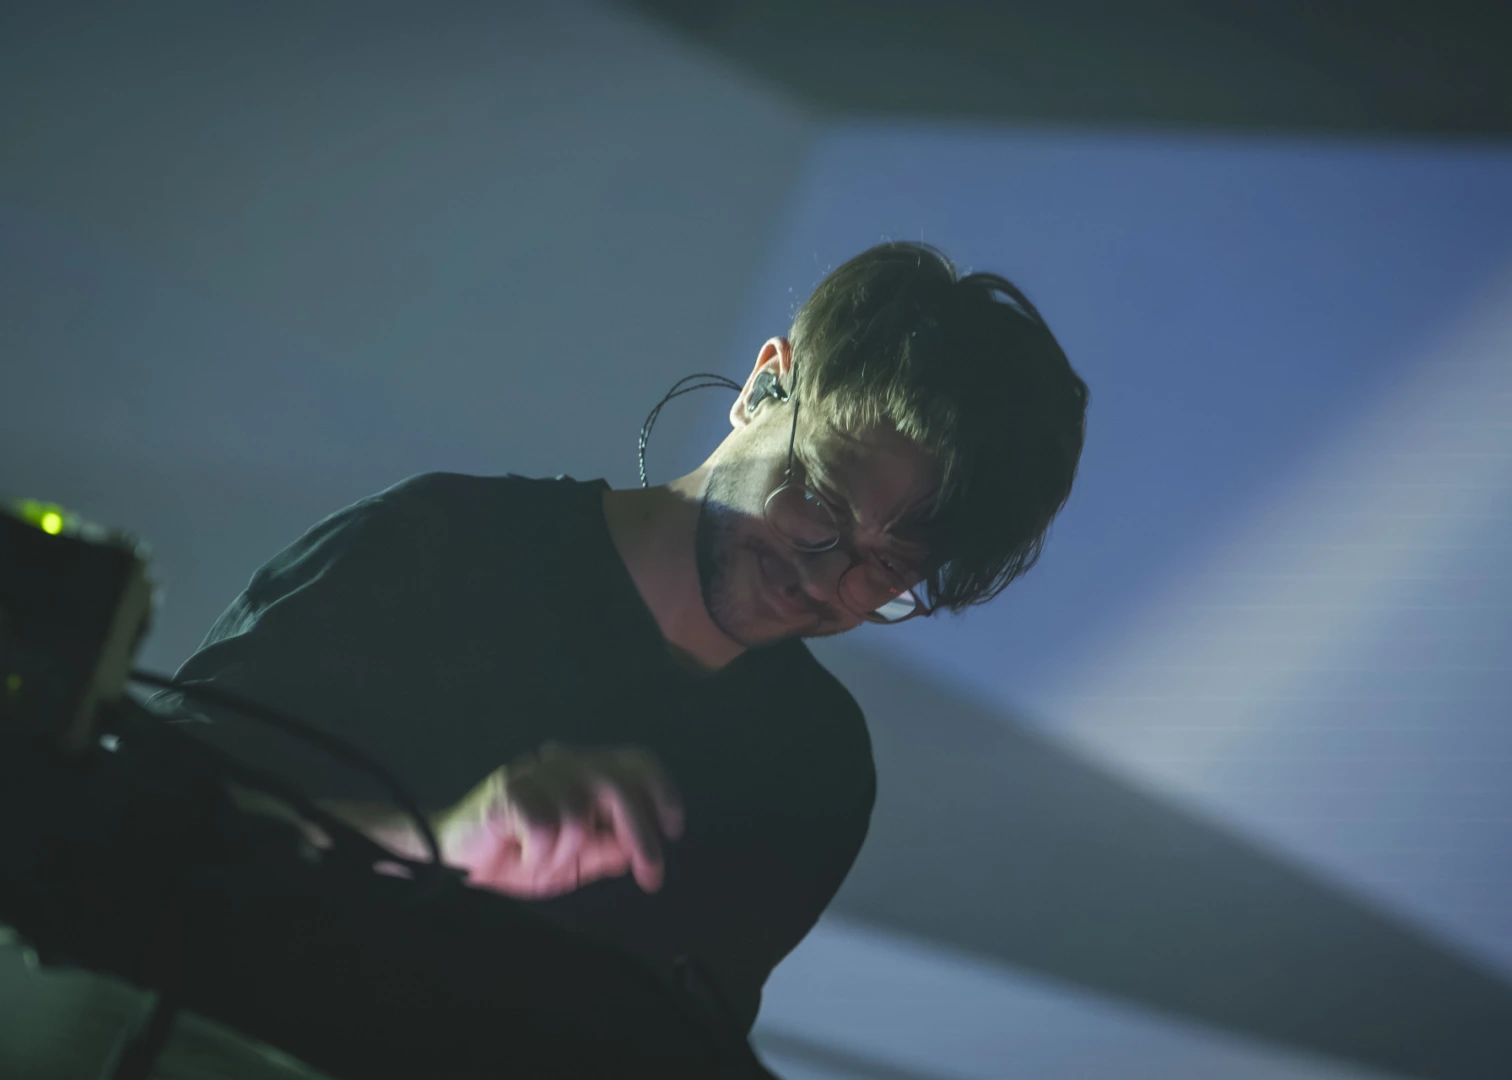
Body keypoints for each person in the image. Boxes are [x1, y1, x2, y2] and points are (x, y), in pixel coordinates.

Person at [163, 240, 1090, 1033]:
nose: (822, 576)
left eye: (884, 569)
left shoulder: (819, 764)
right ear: (764, 386)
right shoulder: (442, 542)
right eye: (818, 498)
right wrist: (438, 843)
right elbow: (152, 799)